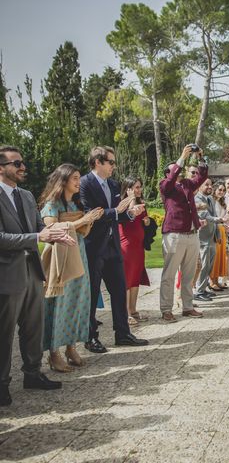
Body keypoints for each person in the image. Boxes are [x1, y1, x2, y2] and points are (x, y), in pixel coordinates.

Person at [0, 146, 75, 406]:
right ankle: (1, 385)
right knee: (4, 332)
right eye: (16, 163)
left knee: (33, 327)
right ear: (1, 168)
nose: (23, 167)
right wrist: (36, 237)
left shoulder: (28, 196)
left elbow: (40, 227)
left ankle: (32, 374)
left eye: (22, 162)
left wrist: (56, 235)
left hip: (32, 271)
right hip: (7, 274)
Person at [80, 146, 148, 353]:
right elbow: (87, 213)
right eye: (110, 162)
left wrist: (129, 213)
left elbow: (118, 215)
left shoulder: (112, 184)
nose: (114, 166)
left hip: (113, 245)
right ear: (98, 162)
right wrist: (116, 211)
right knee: (91, 294)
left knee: (119, 291)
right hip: (93, 246)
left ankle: (123, 333)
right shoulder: (85, 183)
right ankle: (91, 337)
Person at [40, 164, 103, 372]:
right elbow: (51, 229)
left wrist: (88, 221)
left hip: (79, 256)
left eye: (79, 177)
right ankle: (53, 353)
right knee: (59, 304)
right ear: (64, 180)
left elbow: (81, 231)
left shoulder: (77, 204)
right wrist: (82, 221)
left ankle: (71, 346)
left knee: (78, 302)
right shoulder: (52, 205)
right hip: (61, 260)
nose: (79, 182)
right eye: (75, 178)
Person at [158, 145, 208, 322]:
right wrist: (181, 158)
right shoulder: (165, 185)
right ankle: (166, 309)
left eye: (178, 169)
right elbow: (170, 180)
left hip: (191, 233)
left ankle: (187, 307)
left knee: (188, 273)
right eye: (174, 170)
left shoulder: (186, 184)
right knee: (169, 274)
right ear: (167, 173)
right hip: (174, 235)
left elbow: (202, 177)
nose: (178, 171)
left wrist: (200, 157)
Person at [119, 177, 151, 326]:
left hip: (138, 246)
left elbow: (146, 220)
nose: (139, 190)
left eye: (139, 187)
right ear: (128, 189)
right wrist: (131, 199)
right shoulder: (123, 205)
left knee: (135, 278)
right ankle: (125, 313)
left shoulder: (141, 203)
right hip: (126, 246)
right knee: (126, 278)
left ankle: (133, 310)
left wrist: (147, 221)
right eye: (135, 188)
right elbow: (127, 217)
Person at [194, 178, 222, 301]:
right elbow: (204, 216)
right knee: (204, 265)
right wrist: (220, 219)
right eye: (206, 185)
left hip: (211, 237)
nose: (210, 187)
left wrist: (217, 234)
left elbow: (214, 215)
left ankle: (203, 289)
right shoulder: (197, 199)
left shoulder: (210, 199)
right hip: (202, 238)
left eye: (211, 184)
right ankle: (199, 291)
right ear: (200, 186)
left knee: (209, 265)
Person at [210, 181, 229, 291]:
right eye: (220, 189)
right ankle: (212, 281)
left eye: (223, 190)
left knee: (221, 256)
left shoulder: (222, 202)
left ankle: (217, 280)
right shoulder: (211, 201)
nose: (221, 192)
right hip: (215, 229)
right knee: (215, 256)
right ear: (215, 189)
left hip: (222, 230)